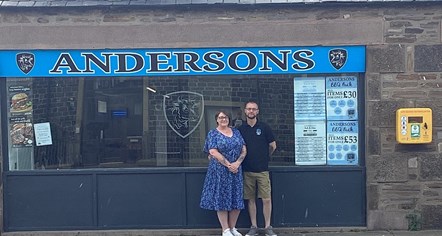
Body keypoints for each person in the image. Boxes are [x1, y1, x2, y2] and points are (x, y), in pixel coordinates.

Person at [200, 111, 247, 236]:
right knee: (221, 199)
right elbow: (213, 152)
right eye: (220, 117)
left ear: (229, 119)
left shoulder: (236, 132)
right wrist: (228, 165)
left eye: (225, 117)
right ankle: (225, 229)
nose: (223, 119)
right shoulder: (213, 133)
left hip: (236, 170)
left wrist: (237, 163)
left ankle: (233, 228)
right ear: (216, 120)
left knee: (236, 198)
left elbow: (244, 149)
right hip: (219, 171)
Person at [238, 100, 277, 236]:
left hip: (262, 170)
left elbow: (273, 146)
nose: (251, 111)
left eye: (254, 109)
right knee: (250, 199)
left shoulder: (264, 127)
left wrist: (265, 156)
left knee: (266, 199)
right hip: (247, 170)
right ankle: (253, 226)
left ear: (258, 111)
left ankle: (267, 227)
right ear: (245, 111)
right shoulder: (241, 129)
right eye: (249, 109)